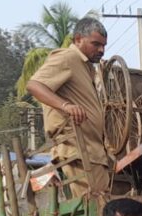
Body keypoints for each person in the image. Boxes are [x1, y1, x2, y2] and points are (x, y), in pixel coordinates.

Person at [27, 17, 110, 197]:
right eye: (96, 44)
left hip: (91, 151)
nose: (101, 50)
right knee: (95, 208)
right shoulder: (67, 57)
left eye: (103, 45)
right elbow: (34, 85)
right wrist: (66, 106)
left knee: (101, 206)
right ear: (78, 39)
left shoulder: (87, 67)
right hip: (77, 149)